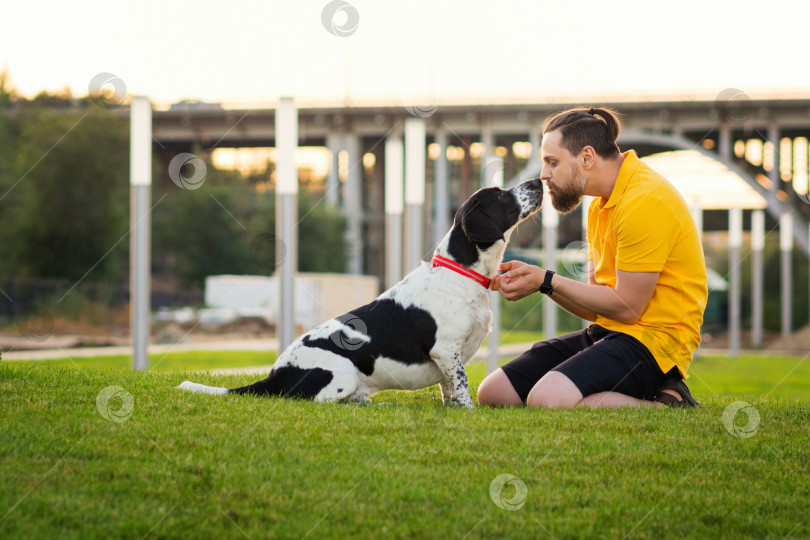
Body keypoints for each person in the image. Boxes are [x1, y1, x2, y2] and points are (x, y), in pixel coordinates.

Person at [477, 107, 708, 409]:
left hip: (655, 346)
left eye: (552, 162)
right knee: (494, 393)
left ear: (587, 157)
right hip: (610, 333)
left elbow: (627, 307)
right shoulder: (600, 206)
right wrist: (542, 284)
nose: (544, 174)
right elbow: (597, 305)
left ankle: (668, 405)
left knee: (547, 399)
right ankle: (633, 393)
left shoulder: (644, 201)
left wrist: (548, 279)